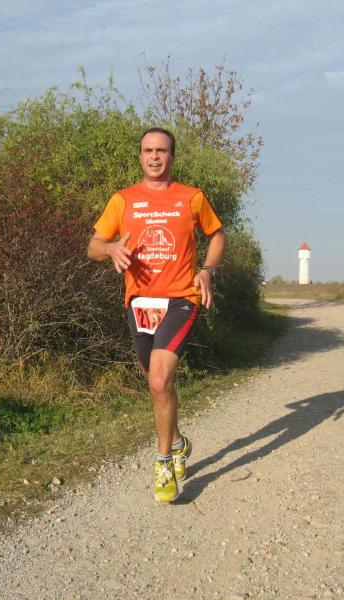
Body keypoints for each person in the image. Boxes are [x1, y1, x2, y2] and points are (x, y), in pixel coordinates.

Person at [87, 127, 226, 502]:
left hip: (181, 299)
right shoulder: (124, 200)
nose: (154, 156)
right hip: (139, 303)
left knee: (161, 380)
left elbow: (217, 235)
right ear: (140, 156)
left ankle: (164, 463)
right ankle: (178, 442)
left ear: (172, 157)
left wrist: (207, 271)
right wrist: (111, 249)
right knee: (154, 382)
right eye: (148, 150)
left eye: (161, 150)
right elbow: (93, 246)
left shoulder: (191, 197)